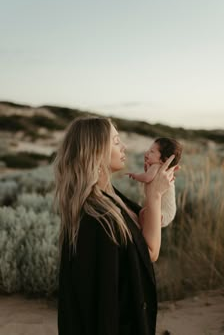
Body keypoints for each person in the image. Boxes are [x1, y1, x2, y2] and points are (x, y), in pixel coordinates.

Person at [54, 116, 177, 335]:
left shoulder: (109, 195)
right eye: (116, 140)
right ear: (96, 150)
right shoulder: (94, 216)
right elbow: (149, 252)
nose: (124, 146)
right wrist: (155, 195)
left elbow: (149, 249)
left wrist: (154, 193)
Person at [127, 138, 182, 228]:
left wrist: (135, 176)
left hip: (163, 211)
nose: (147, 152)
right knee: (142, 214)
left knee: (143, 218)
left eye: (152, 151)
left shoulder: (156, 166)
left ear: (163, 159)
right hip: (167, 211)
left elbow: (147, 178)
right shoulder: (161, 168)